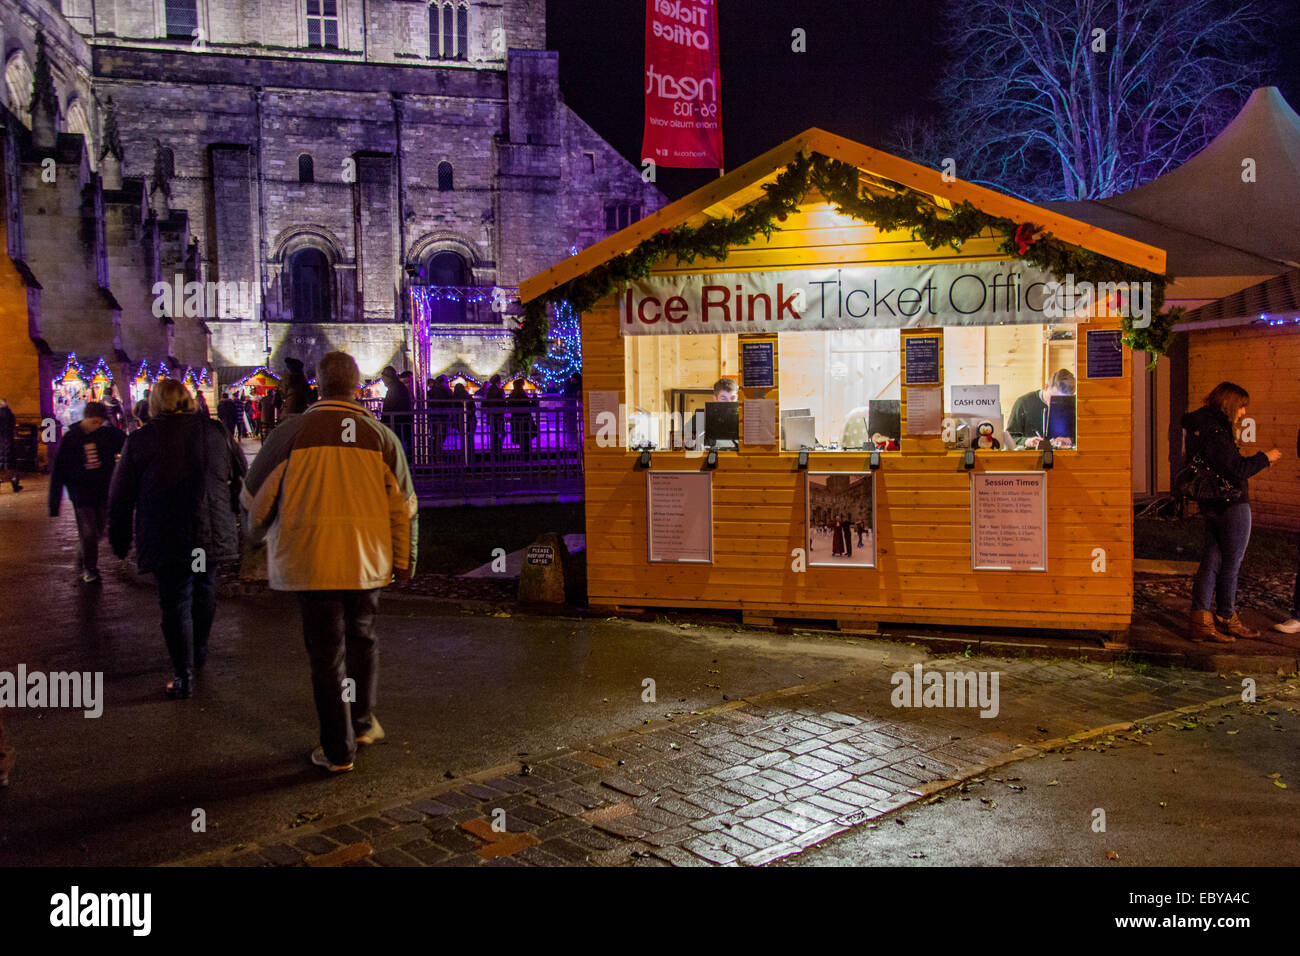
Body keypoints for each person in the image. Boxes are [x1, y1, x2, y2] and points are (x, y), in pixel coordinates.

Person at [241, 351, 418, 774]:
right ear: (357, 387)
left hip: (311, 561)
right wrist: (404, 560)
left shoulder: (289, 434)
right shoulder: (380, 437)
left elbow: (254, 498)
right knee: (362, 639)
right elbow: (404, 508)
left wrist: (256, 536)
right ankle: (362, 722)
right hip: (367, 561)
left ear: (318, 385)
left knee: (326, 655)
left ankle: (338, 750)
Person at [109, 379, 247, 699]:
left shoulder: (141, 439)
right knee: (203, 588)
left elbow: (121, 495)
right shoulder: (215, 432)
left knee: (175, 600)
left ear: (155, 403)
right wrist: (232, 510)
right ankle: (199, 649)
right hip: (206, 531)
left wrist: (119, 538)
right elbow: (240, 474)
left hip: (167, 534)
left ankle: (182, 673)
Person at [1183, 382, 1281, 642]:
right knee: (1231, 563)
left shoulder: (1200, 426)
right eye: (1242, 406)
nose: (1244, 413)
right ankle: (1226, 617)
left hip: (1212, 503)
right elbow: (1236, 469)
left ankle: (1201, 620)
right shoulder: (1216, 430)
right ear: (1230, 404)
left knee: (1211, 561)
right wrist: (1265, 458)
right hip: (1232, 503)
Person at [49, 401, 126, 584]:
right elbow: (59, 470)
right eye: (94, 422)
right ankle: (90, 569)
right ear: (86, 418)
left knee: (99, 530)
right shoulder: (71, 438)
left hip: (102, 492)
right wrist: (54, 502)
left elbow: (128, 444)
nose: (97, 426)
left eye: (100, 422)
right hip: (81, 494)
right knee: (89, 532)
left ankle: (83, 554)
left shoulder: (107, 434)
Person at [1007, 369, 1075, 449]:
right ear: (1046, 387)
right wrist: (1026, 441)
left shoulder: (1073, 405)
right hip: (1030, 455)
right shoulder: (1023, 403)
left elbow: (1082, 436)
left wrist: (1071, 440)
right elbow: (1009, 438)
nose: (1058, 402)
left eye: (1064, 399)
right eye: (1054, 397)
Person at [380, 365, 413, 460]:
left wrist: (384, 421)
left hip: (397, 423)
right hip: (400, 422)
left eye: (383, 378)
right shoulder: (398, 386)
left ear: (388, 377)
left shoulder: (394, 389)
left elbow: (389, 407)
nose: (383, 381)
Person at [507, 379, 538, 458]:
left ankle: (523, 454)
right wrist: (534, 398)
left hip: (516, 419)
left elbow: (508, 405)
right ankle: (526, 455)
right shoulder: (522, 395)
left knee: (521, 437)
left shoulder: (512, 396)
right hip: (525, 419)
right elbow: (529, 405)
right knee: (526, 437)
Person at [427, 375, 453, 461]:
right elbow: (450, 402)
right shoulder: (446, 390)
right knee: (441, 437)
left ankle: (434, 455)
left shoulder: (431, 391)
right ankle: (438, 457)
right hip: (442, 416)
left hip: (433, 416)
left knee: (435, 436)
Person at [481, 374, 507, 457]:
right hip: (498, 415)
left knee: (494, 433)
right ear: (498, 382)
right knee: (501, 432)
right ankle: (498, 450)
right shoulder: (499, 391)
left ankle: (495, 450)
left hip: (491, 415)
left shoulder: (488, 391)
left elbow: (484, 403)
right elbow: (503, 403)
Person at [0, 398, 19, 492]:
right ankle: (15, 483)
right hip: (9, 441)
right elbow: (13, 426)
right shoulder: (10, 415)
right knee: (11, 464)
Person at [452, 382, 476, 456]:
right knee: (470, 437)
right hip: (470, 419)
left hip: (460, 420)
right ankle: (471, 453)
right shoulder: (468, 396)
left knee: (463, 437)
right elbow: (473, 407)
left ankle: (464, 452)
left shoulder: (454, 398)